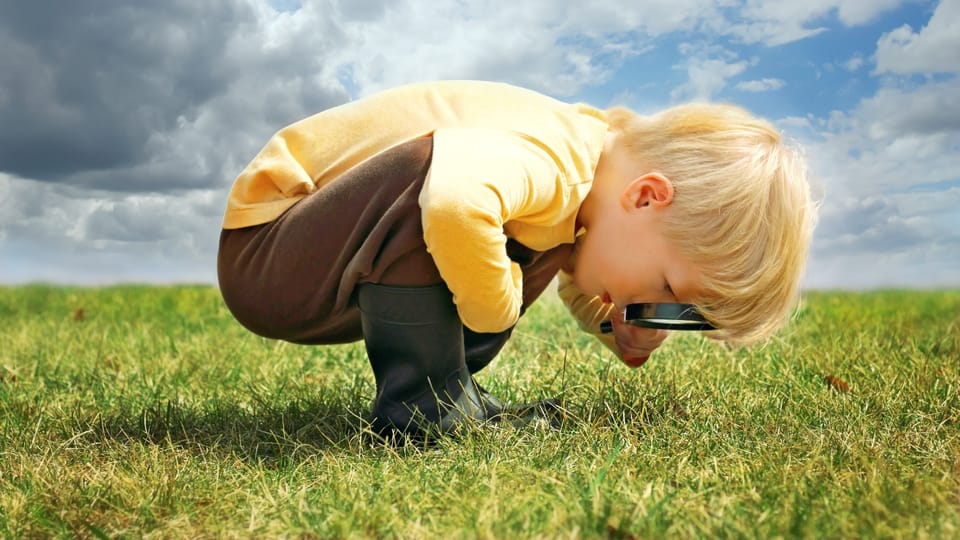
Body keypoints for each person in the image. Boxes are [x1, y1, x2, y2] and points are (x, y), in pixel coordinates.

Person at [216, 80, 816, 438]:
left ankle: (450, 393)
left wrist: (620, 324)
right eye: (665, 287)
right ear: (646, 196)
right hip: (272, 249)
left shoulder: (590, 178)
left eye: (673, 313)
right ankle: (426, 414)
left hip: (321, 253)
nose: (656, 308)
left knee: (525, 242)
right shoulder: (556, 160)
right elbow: (451, 203)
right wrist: (495, 311)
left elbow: (578, 258)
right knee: (442, 190)